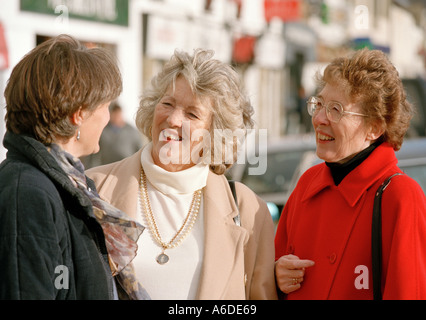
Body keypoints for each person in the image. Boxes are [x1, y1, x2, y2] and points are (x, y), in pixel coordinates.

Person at [86, 48, 278, 300]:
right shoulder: (93, 188)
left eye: (192, 113)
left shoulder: (248, 209)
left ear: (216, 130)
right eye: (167, 104)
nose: (173, 119)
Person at [0, 34, 145, 299]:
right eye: (105, 105)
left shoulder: (64, 184)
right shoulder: (30, 192)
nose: (106, 116)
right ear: (79, 114)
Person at [274, 48, 426, 300]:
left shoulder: (400, 196)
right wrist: (276, 274)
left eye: (336, 109)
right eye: (319, 104)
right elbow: (269, 272)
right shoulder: (307, 184)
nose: (320, 118)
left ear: (374, 127)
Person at [81, 102, 143, 168]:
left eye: (118, 115)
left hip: (126, 166)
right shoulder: (103, 131)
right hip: (107, 166)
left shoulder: (131, 131)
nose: (117, 117)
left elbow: (139, 149)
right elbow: (93, 154)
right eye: (115, 115)